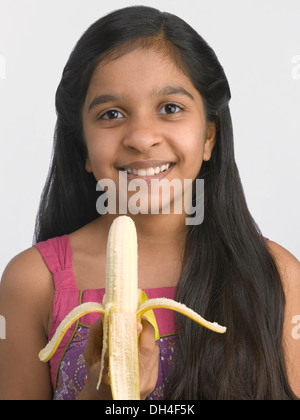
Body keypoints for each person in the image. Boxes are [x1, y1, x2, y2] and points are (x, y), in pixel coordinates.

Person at [0, 5, 299, 400]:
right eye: (111, 114)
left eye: (170, 109)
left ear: (209, 136)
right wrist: (104, 397)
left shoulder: (275, 274)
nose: (141, 137)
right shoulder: (34, 283)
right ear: (84, 149)